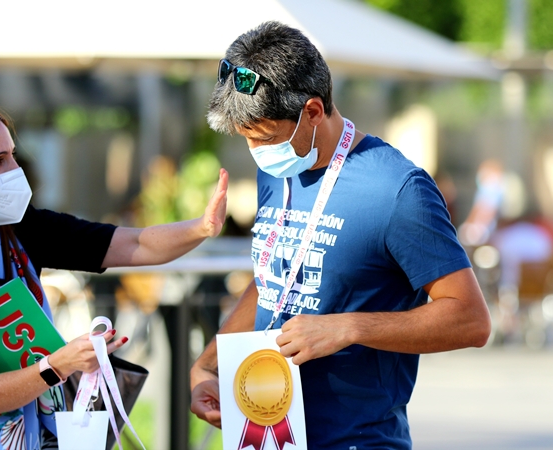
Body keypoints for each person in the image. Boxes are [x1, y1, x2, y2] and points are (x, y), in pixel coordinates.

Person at [189, 21, 491, 449]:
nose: (258, 152)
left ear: (313, 111)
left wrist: (347, 327)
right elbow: (271, 284)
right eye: (248, 140)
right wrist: (207, 365)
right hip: (265, 434)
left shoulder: (398, 190)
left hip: (356, 439)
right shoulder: (279, 171)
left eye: (267, 138)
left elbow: (471, 320)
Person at [0, 99, 228, 449]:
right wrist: (58, 365)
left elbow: (131, 244)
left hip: (39, 432)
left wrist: (201, 228)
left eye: (12, 155)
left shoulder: (22, 230)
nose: (15, 170)